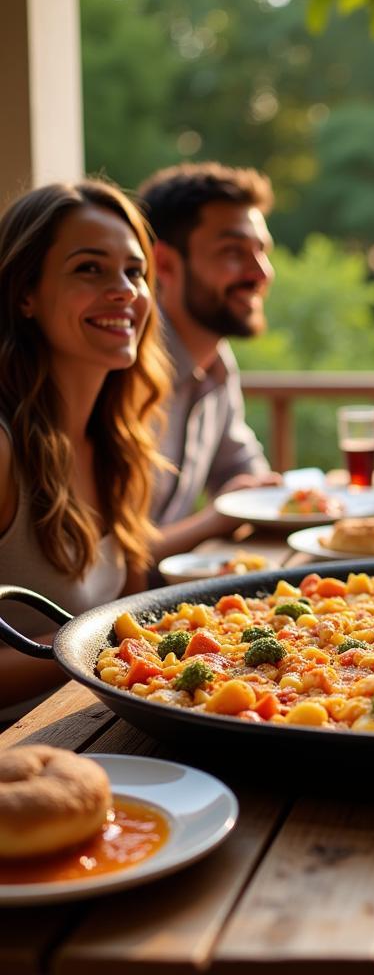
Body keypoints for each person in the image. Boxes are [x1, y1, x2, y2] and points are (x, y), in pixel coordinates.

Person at [0, 180, 170, 713]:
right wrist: (95, 643)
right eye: (89, 269)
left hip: (103, 719)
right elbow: (125, 632)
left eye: (134, 272)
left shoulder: (120, 443)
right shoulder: (2, 451)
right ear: (25, 294)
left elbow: (133, 613)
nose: (124, 290)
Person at [137, 163, 280, 559]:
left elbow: (240, 472)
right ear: (163, 264)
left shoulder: (215, 360)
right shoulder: (119, 371)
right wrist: (218, 518)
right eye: (233, 252)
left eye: (262, 251)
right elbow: (109, 564)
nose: (260, 273)